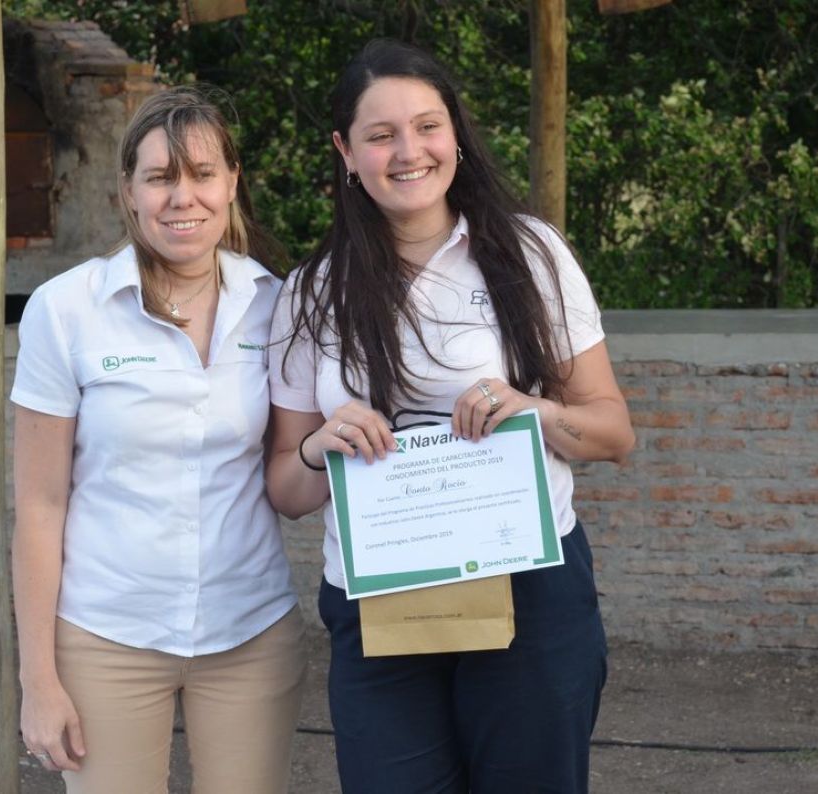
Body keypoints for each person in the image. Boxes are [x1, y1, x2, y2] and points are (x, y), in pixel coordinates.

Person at [266, 39, 635, 794]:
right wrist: (317, 451)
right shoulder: (309, 293)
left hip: (527, 590)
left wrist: (530, 409)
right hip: (379, 600)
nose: (409, 152)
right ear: (345, 152)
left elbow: (611, 433)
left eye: (427, 126)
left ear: (456, 135)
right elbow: (287, 490)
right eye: (380, 134)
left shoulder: (530, 255)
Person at [10, 86, 305, 794]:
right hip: (107, 633)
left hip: (249, 631)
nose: (183, 197)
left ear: (232, 183)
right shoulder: (68, 310)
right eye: (160, 177)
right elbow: (40, 505)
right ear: (128, 192)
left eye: (202, 174)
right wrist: (38, 679)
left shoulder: (277, 302)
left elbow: (292, 473)